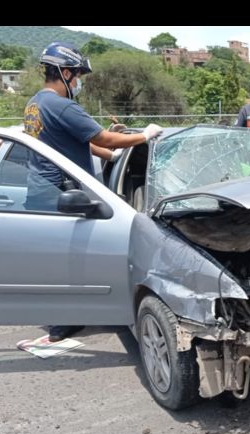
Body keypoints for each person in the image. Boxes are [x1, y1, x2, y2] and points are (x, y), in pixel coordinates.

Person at [24, 41, 163, 341]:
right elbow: (102, 137)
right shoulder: (61, 106)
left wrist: (111, 156)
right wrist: (144, 136)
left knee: (56, 261)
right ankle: (62, 323)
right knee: (66, 262)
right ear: (65, 73)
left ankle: (69, 315)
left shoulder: (35, 103)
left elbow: (80, 141)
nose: (79, 82)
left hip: (40, 191)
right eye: (77, 75)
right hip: (61, 194)